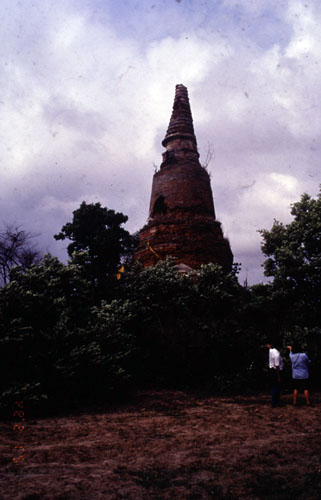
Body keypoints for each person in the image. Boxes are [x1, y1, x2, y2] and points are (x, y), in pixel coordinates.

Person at [266, 343, 283, 407]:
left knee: (275, 386)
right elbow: (277, 366)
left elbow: (269, 348)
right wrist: (278, 376)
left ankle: (275, 402)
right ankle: (275, 402)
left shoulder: (271, 351)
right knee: (276, 387)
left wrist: (269, 346)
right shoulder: (276, 354)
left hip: (272, 370)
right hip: (276, 371)